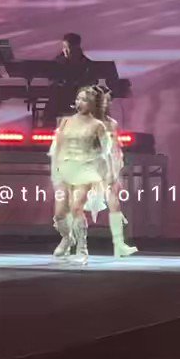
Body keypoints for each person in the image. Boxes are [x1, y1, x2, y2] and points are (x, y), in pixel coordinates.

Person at [49, 86, 109, 265]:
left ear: (92, 104)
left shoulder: (97, 125)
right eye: (78, 99)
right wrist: (57, 168)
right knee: (60, 213)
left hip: (86, 168)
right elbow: (58, 147)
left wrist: (105, 173)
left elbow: (105, 151)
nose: (79, 102)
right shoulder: (66, 121)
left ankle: (82, 248)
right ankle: (68, 238)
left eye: (84, 100)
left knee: (76, 208)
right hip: (66, 167)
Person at [91, 86, 137, 257]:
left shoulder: (112, 123)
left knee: (114, 202)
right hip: (90, 165)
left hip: (108, 167)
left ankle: (119, 244)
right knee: (76, 204)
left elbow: (116, 149)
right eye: (104, 100)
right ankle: (72, 241)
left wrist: (116, 168)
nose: (107, 103)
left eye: (108, 100)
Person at [44, 33, 92, 125]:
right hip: (61, 93)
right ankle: (50, 122)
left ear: (76, 48)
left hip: (78, 93)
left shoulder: (86, 63)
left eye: (68, 47)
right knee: (55, 96)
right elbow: (51, 77)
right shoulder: (58, 61)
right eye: (64, 47)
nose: (65, 50)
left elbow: (90, 80)